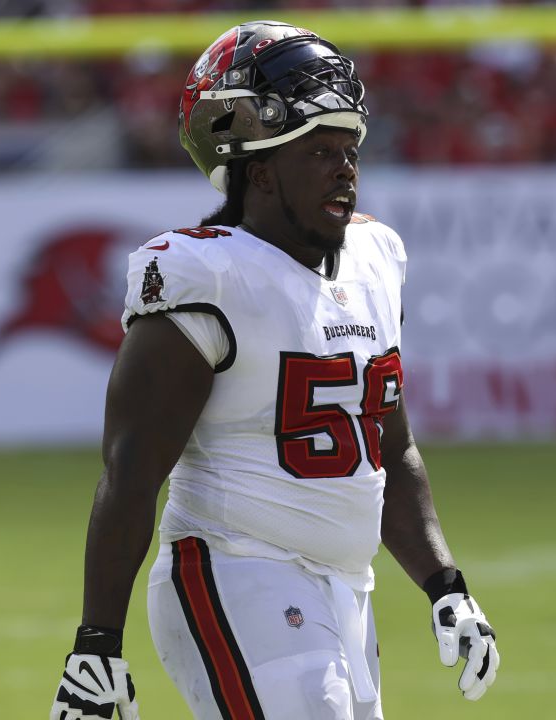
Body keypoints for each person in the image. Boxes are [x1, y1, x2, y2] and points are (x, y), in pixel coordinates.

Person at [51, 20, 499, 720]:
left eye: (349, 150)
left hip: (346, 590)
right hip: (234, 568)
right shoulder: (208, 275)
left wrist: (447, 583)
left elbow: (389, 445)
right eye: (320, 152)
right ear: (259, 172)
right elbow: (132, 472)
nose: (345, 170)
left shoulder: (377, 259)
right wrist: (95, 646)